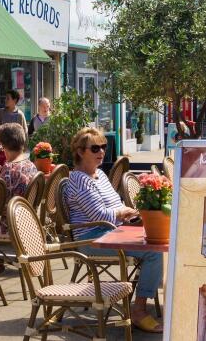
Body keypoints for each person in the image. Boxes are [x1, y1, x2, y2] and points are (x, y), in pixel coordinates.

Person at [63, 127, 164, 333]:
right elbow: (98, 215)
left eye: (103, 146)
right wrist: (121, 212)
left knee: (157, 239)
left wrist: (129, 213)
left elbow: (115, 205)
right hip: (91, 240)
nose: (101, 151)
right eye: (95, 148)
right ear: (80, 152)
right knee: (153, 252)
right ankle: (139, 311)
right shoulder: (79, 179)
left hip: (111, 232)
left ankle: (151, 291)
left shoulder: (99, 174)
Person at [0, 123, 39, 198]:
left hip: (11, 205)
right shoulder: (31, 165)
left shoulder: (9, 170)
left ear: (3, 145)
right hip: (28, 205)